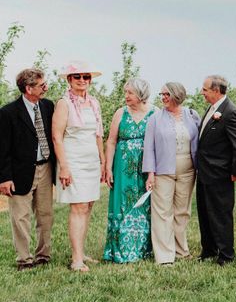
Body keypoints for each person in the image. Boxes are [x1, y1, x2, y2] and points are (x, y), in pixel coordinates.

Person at [52, 61, 105, 272]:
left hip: (91, 160)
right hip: (73, 161)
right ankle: (76, 259)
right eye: (78, 77)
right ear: (69, 80)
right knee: (78, 207)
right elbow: (57, 137)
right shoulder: (64, 103)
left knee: (88, 205)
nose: (82, 81)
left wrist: (102, 161)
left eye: (86, 77)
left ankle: (81, 252)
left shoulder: (94, 103)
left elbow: (98, 134)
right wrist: (64, 167)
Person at [0, 68, 56, 271]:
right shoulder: (8, 113)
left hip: (45, 168)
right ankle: (24, 259)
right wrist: (4, 178)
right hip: (19, 172)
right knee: (21, 217)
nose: (46, 88)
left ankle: (44, 255)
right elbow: (2, 148)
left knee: (45, 214)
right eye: (41, 85)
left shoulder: (49, 106)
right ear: (28, 88)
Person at [142, 82, 200, 265]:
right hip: (162, 172)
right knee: (162, 213)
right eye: (162, 94)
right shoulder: (155, 118)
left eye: (167, 94)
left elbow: (199, 142)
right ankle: (165, 256)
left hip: (188, 171)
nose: (163, 97)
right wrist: (151, 173)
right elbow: (149, 147)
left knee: (182, 212)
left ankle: (181, 251)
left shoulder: (191, 115)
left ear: (177, 95)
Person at [197, 75, 236, 266]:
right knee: (204, 212)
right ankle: (209, 249)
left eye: (205, 89)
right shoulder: (212, 109)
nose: (202, 92)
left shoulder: (230, 112)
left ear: (216, 91)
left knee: (220, 214)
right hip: (204, 171)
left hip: (220, 172)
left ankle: (226, 254)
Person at [103, 78, 155, 263]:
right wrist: (108, 168)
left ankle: (143, 249)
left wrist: (152, 172)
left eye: (130, 93)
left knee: (144, 206)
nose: (126, 96)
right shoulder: (120, 113)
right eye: (125, 92)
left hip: (145, 166)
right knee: (121, 204)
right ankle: (119, 250)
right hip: (122, 167)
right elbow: (111, 141)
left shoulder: (154, 113)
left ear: (141, 95)